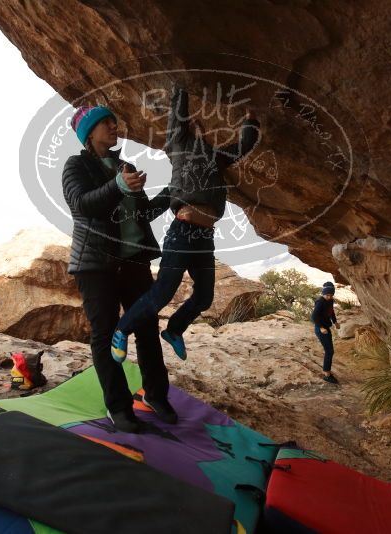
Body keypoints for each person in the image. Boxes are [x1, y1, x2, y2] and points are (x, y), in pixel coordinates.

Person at [110, 84, 261, 361]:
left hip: (205, 237)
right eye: (197, 126)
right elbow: (177, 120)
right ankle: (122, 330)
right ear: (191, 128)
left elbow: (243, 145)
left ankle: (174, 330)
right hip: (182, 232)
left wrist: (252, 117)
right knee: (163, 292)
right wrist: (180, 87)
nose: (203, 130)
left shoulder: (215, 158)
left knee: (204, 297)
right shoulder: (180, 146)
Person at [62, 104, 175, 433]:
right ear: (90, 133)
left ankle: (156, 395)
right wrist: (119, 186)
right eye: (106, 123)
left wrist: (171, 194)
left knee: (147, 329)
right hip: (95, 264)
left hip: (134, 262)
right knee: (105, 334)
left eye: (114, 120)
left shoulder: (126, 166)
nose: (114, 126)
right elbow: (82, 205)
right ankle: (119, 406)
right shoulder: (77, 165)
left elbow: (142, 215)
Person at [312, 281, 339, 383]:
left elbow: (331, 312)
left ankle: (327, 371)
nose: (329, 297)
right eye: (327, 295)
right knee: (329, 351)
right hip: (321, 329)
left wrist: (335, 322)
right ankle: (327, 374)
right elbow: (314, 316)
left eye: (331, 295)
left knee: (330, 350)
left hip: (326, 328)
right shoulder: (320, 301)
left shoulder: (330, 300)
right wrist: (321, 327)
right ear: (323, 293)